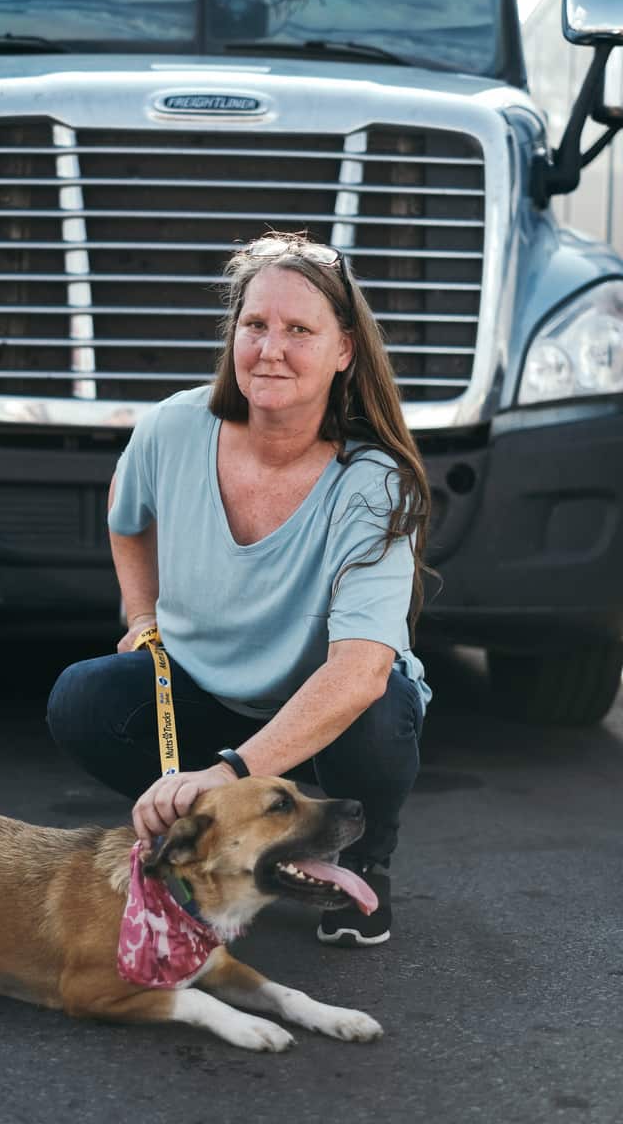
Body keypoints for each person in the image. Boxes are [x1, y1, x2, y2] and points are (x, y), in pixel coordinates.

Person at [47, 231, 432, 947]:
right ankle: (221, 849)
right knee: (83, 698)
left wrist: (229, 771)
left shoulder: (374, 482)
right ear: (234, 334)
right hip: (204, 691)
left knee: (379, 719)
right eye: (254, 325)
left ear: (343, 350)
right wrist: (141, 616)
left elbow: (359, 672)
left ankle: (362, 858)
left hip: (329, 709)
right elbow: (126, 517)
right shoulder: (172, 427)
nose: (270, 349)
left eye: (298, 330)